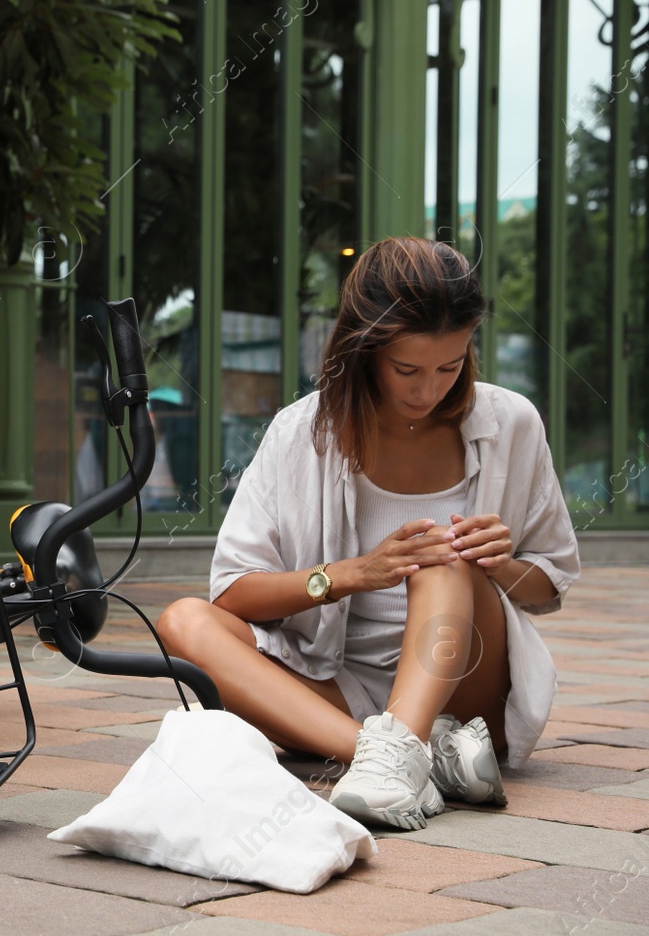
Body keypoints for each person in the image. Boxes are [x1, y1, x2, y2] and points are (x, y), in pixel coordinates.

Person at [154, 237, 580, 830]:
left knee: (441, 552)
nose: (428, 390)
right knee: (183, 622)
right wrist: (351, 573)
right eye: (407, 369)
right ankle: (395, 757)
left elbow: (549, 586)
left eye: (450, 367)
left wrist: (500, 564)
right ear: (364, 349)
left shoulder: (511, 422)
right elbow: (233, 593)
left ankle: (396, 754)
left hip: (468, 688)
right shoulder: (300, 432)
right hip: (336, 689)